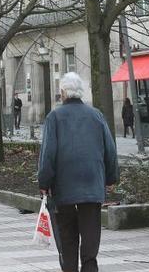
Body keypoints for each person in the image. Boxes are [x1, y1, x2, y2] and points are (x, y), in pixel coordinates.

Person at [38, 72, 118, 272]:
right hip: (92, 185)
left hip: (64, 187)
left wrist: (44, 183)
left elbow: (48, 154)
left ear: (63, 92)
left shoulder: (54, 117)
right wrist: (110, 178)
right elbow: (110, 149)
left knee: (67, 237)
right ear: (80, 92)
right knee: (90, 238)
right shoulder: (97, 115)